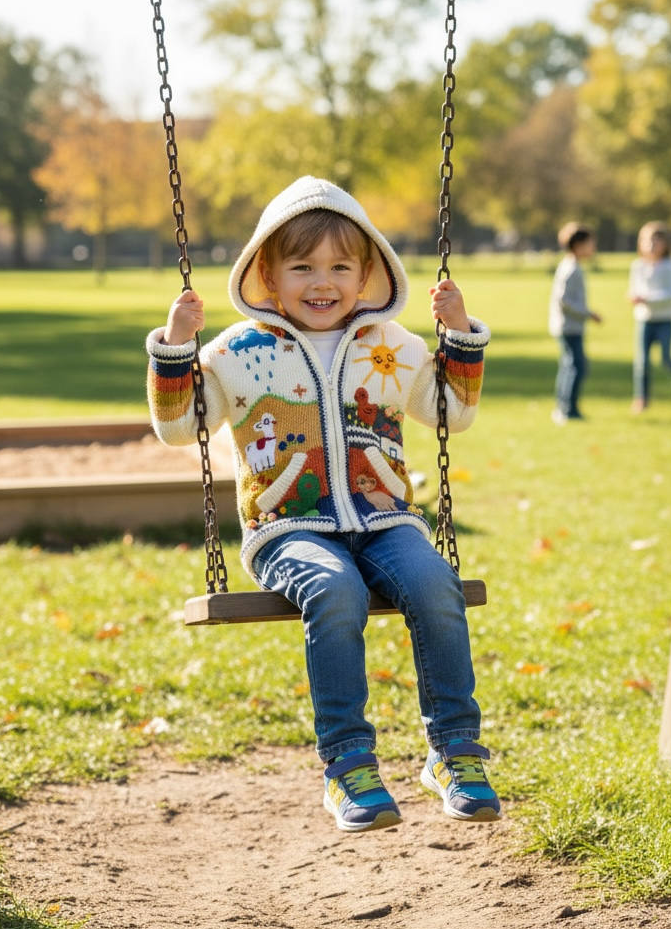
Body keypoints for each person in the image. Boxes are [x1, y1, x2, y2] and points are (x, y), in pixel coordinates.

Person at [147, 176, 500, 832]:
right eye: (302, 265)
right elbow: (178, 426)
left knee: (435, 583)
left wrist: (459, 335)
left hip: (385, 520)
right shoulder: (236, 353)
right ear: (268, 276)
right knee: (335, 591)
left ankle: (455, 752)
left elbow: (449, 411)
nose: (323, 280)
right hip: (289, 530)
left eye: (341, 266)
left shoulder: (392, 344)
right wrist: (175, 347)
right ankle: (348, 767)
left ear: (367, 275)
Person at [628, 221, 671, 413]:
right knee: (642, 362)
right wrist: (634, 297)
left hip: (664, 320)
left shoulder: (670, 266)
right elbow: (634, 287)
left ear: (666, 244)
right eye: (648, 242)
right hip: (644, 320)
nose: (651, 246)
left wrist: (647, 298)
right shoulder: (638, 266)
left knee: (666, 359)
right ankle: (642, 398)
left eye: (656, 242)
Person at [548, 222, 602, 424]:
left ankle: (565, 406)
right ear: (578, 245)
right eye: (590, 243)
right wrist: (588, 314)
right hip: (568, 326)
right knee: (577, 366)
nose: (593, 247)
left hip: (568, 325)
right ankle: (568, 408)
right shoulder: (571, 268)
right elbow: (564, 300)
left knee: (569, 365)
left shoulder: (571, 265)